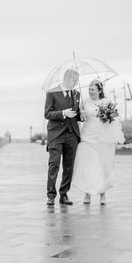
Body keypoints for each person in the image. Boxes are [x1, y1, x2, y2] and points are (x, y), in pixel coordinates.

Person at [71, 79, 125, 204]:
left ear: (99, 90)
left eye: (93, 89)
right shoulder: (85, 102)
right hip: (87, 137)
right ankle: (87, 194)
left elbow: (114, 118)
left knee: (102, 166)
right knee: (88, 166)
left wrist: (108, 116)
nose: (90, 92)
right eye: (89, 89)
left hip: (101, 138)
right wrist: (81, 114)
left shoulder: (106, 102)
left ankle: (102, 195)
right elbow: (81, 118)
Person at [44, 69, 81, 205]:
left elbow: (76, 114)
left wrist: (80, 114)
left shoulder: (77, 94)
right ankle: (51, 195)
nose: (76, 83)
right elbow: (47, 113)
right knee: (54, 164)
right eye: (75, 80)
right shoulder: (52, 92)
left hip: (72, 134)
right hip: (56, 134)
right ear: (68, 79)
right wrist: (63, 113)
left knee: (69, 166)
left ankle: (64, 194)